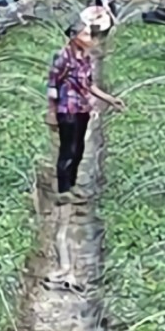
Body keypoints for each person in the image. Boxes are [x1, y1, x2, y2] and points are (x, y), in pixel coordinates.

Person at [46, 21, 124, 200]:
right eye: (86, 35)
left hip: (82, 108)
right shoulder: (62, 57)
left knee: (79, 148)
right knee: (68, 148)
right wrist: (51, 112)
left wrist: (110, 99)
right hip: (66, 109)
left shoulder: (86, 57)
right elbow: (52, 85)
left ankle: (72, 184)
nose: (90, 39)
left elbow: (89, 85)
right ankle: (63, 190)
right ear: (74, 37)